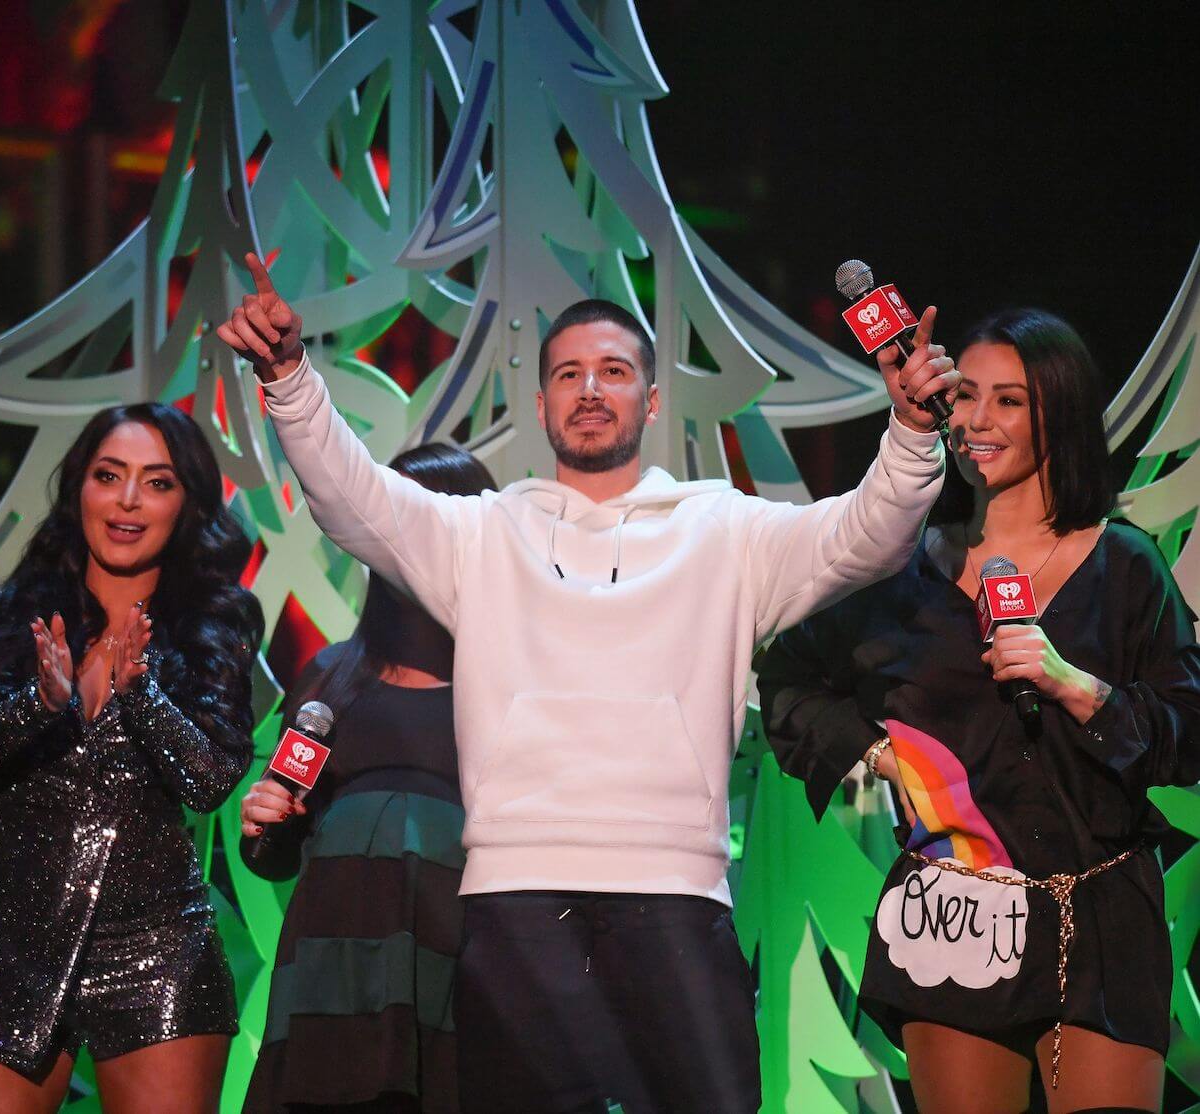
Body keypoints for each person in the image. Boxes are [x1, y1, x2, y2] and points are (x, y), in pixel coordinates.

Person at [216, 251, 959, 1113]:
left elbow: (867, 537)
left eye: (614, 372)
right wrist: (289, 377)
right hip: (518, 896)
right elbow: (352, 497)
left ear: (650, 400)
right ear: (541, 406)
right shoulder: (483, 534)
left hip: (674, 890)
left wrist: (909, 433)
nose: (590, 389)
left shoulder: (724, 531)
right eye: (568, 374)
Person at [755, 307, 1200, 1114]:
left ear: (1055, 414)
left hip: (1098, 916)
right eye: (965, 398)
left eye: (1008, 401)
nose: (974, 422)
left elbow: (1189, 734)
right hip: (956, 912)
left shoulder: (1124, 565)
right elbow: (786, 679)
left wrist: (1077, 685)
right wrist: (879, 754)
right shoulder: (894, 566)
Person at [0, 402, 264, 1113]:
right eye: (110, 475)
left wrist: (140, 694)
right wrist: (41, 704)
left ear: (187, 504)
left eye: (158, 482)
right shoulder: (8, 613)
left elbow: (207, 782)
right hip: (6, 940)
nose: (129, 501)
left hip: (156, 945)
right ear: (80, 485)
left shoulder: (217, 621)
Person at [240, 443, 497, 1114]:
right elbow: (274, 850)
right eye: (395, 514)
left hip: (466, 956)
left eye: (435, 517)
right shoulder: (331, 678)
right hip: (334, 962)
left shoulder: (510, 683)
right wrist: (264, 824)